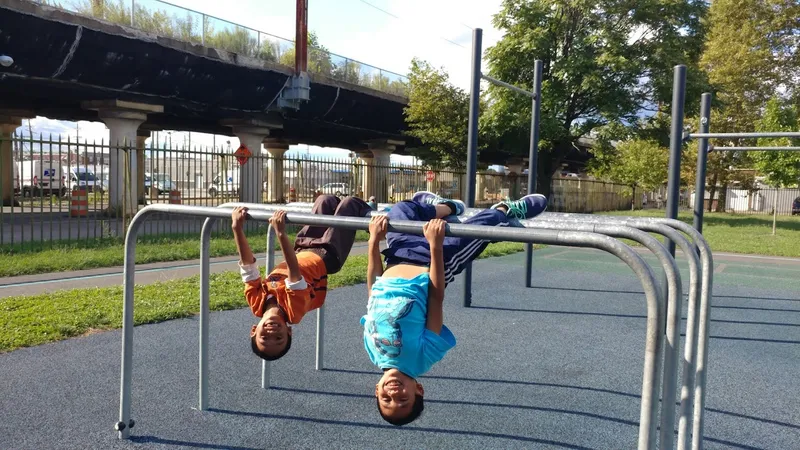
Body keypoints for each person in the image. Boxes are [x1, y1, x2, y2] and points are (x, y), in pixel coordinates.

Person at [362, 191, 547, 425]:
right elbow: (436, 298)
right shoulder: (422, 359)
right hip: (436, 261)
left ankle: (447, 208)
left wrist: (373, 241)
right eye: (403, 400)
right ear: (419, 390)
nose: (394, 395)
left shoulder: (373, 351)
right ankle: (505, 211)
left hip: (397, 255)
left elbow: (373, 291)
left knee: (402, 209)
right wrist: (436, 246)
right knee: (481, 226)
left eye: (386, 400)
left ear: (376, 390)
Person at [232, 194, 373, 361]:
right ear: (288, 331)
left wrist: (237, 228)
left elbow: (248, 266)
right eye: (279, 339)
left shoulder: (256, 302)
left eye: (265, 338)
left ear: (254, 330)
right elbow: (294, 271)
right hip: (327, 255)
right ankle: (370, 212)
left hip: (302, 249)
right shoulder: (294, 311)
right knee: (349, 205)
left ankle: (336, 203)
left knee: (324, 200)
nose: (272, 333)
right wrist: (281, 233)